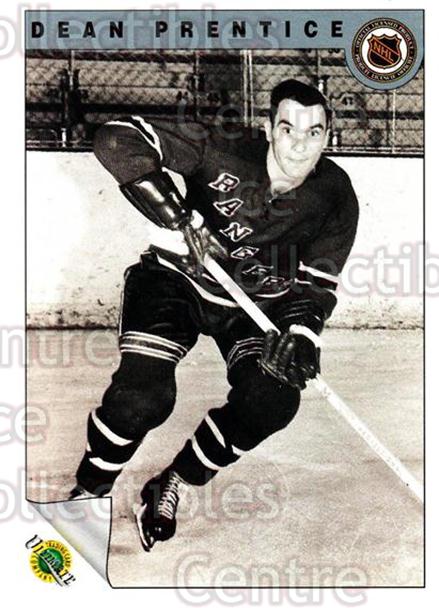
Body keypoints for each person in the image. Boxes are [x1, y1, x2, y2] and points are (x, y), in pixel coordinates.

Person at [70, 79, 359, 552]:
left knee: (273, 400)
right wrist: (178, 217)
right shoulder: (222, 148)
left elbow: (316, 284)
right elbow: (116, 138)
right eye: (288, 129)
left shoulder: (336, 194)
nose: (299, 145)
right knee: (142, 397)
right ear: (269, 128)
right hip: (175, 281)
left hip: (255, 307)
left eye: (314, 133)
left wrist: (303, 335)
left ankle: (172, 483)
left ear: (328, 136)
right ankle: (87, 494)